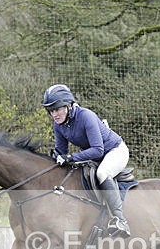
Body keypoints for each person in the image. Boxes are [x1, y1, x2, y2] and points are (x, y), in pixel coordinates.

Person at [42, 83, 131, 238]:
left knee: (103, 173)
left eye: (57, 109)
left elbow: (98, 149)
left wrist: (70, 157)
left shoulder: (85, 116)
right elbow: (61, 152)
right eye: (51, 111)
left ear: (68, 106)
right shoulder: (59, 126)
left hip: (115, 151)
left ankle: (120, 220)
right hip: (93, 157)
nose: (54, 114)